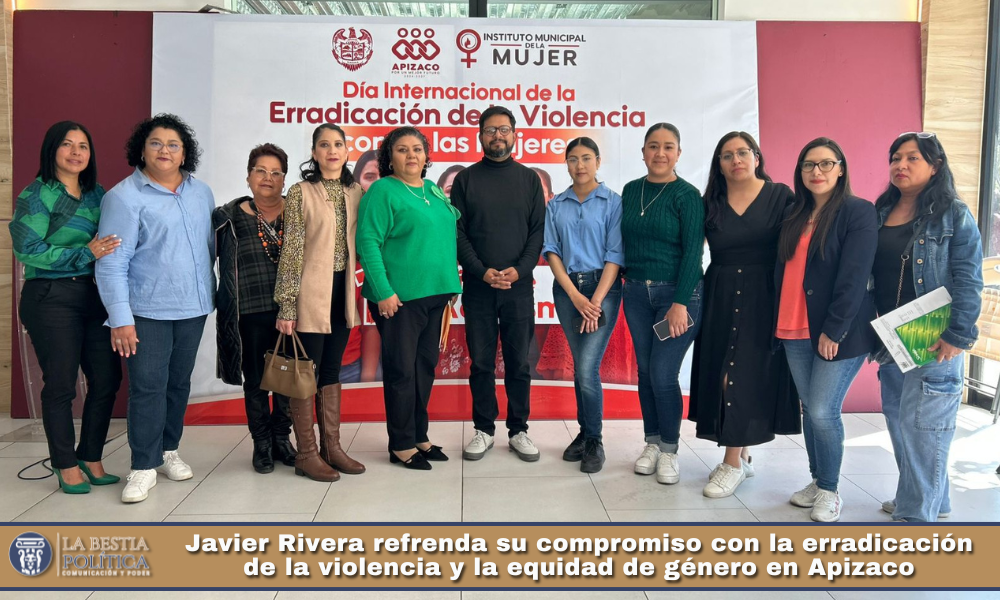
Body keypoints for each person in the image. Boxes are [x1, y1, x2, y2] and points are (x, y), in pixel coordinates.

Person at [96, 114, 215, 503]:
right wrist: (120, 318)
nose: (165, 150)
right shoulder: (123, 197)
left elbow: (208, 249)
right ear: (142, 150)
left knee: (178, 384)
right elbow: (111, 263)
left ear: (184, 153)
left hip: (194, 307)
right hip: (146, 311)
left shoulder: (201, 193)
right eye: (156, 143)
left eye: (173, 144)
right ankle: (143, 466)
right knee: (148, 387)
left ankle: (168, 451)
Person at [873, 133, 983, 522]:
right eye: (895, 158)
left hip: (934, 338)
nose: (900, 165)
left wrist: (957, 335)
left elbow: (969, 279)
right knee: (901, 421)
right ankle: (932, 498)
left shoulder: (954, 214)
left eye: (912, 158)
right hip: (893, 339)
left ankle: (916, 516)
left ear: (935, 166)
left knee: (924, 428)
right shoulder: (881, 211)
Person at [10, 121, 123, 494]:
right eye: (67, 144)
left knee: (107, 378)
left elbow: (112, 241)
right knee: (61, 384)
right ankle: (64, 463)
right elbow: (28, 250)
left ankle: (90, 456)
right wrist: (84, 253)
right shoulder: (37, 194)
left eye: (83, 146)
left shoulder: (97, 194)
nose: (76, 152)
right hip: (50, 296)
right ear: (52, 149)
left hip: (93, 295)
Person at [689, 131, 800, 499]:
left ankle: (732, 463)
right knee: (723, 371)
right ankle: (743, 454)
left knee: (745, 373)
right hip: (720, 294)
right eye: (727, 155)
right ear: (718, 164)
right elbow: (691, 251)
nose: (735, 160)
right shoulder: (710, 202)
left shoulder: (781, 196)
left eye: (742, 152)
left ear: (756, 157)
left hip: (763, 296)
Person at [775, 137, 877, 522]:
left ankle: (831, 490)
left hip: (836, 330)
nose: (816, 171)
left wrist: (834, 329)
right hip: (792, 326)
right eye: (808, 165)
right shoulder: (794, 213)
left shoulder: (857, 212)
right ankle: (818, 480)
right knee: (809, 408)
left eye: (825, 163)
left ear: (840, 168)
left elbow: (854, 277)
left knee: (822, 410)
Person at [356, 126, 462, 470]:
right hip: (399, 299)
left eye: (417, 149)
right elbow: (368, 242)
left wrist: (449, 284)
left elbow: (442, 236)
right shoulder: (383, 190)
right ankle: (401, 444)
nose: (411, 155)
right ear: (390, 157)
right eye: (402, 149)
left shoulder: (432, 189)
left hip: (435, 296)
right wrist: (384, 291)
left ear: (426, 156)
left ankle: (419, 435)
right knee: (402, 372)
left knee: (423, 369)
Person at [452, 105, 545, 462]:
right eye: (490, 130)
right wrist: (481, 271)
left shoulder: (529, 180)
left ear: (515, 135)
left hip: (518, 288)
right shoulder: (466, 180)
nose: (497, 136)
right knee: (481, 363)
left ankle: (519, 430)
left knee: (519, 363)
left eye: (504, 129)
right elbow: (458, 232)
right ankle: (484, 429)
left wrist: (519, 271)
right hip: (478, 287)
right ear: (480, 136)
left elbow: (537, 232)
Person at [274, 123, 366, 482]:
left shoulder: (356, 191)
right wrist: (287, 304)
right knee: (306, 375)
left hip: (342, 293)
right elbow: (292, 249)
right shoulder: (301, 192)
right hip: (310, 294)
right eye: (324, 145)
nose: (332, 150)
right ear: (314, 153)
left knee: (330, 372)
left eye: (338, 144)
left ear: (347, 151)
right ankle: (307, 454)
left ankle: (332, 448)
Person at [621, 122, 704, 485]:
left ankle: (669, 449)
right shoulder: (630, 190)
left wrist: (680, 302)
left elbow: (693, 253)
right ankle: (652, 443)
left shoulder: (687, 195)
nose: (660, 153)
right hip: (636, 294)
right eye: (653, 146)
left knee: (663, 373)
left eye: (668, 147)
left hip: (677, 296)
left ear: (678, 154)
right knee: (644, 371)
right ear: (643, 152)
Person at [214, 143, 297, 474]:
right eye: (260, 170)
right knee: (257, 381)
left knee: (289, 381)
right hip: (248, 313)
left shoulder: (299, 212)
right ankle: (261, 443)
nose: (268, 177)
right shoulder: (228, 217)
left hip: (293, 313)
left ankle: (282, 439)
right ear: (248, 176)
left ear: (284, 179)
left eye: (276, 172)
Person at [542, 137, 623, 473]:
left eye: (586, 158)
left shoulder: (613, 202)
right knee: (580, 366)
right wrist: (575, 296)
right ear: (566, 164)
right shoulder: (556, 205)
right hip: (567, 292)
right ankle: (584, 432)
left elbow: (615, 254)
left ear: (598, 162)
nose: (580, 165)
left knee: (587, 367)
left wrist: (595, 300)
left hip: (603, 288)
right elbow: (551, 251)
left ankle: (594, 440)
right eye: (573, 159)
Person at [340, 149, 381, 384]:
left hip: (371, 361)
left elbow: (371, 323)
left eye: (383, 177)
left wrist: (368, 377)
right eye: (370, 176)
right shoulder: (345, 226)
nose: (377, 185)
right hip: (330, 358)